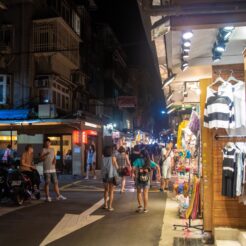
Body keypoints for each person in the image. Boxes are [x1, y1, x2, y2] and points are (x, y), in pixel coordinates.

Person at [101, 146, 119, 211]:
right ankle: (110, 206)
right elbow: (117, 167)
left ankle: (105, 205)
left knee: (106, 190)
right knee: (111, 191)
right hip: (111, 176)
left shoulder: (102, 158)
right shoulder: (113, 158)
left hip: (104, 176)